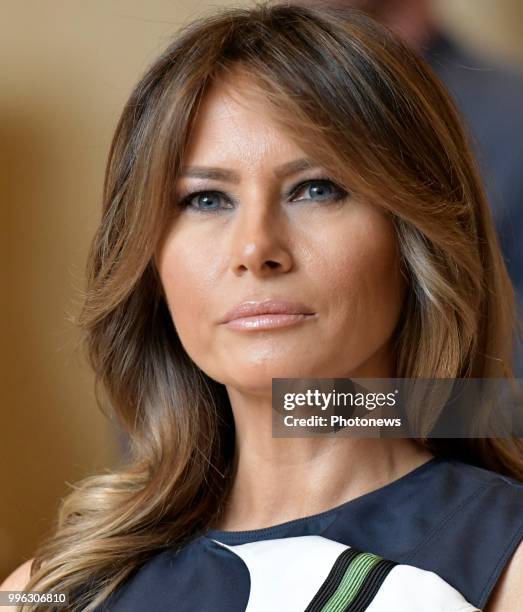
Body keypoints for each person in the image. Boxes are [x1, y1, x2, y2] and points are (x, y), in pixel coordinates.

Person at [2, 2, 523, 611]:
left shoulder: (504, 565)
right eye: (205, 199)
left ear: (414, 240)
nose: (255, 249)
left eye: (316, 189)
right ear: (150, 263)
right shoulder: (45, 593)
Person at [301, 0, 523, 375]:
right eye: (208, 200)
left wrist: (317, 412)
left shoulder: (510, 116)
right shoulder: (237, 104)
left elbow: (510, 407)